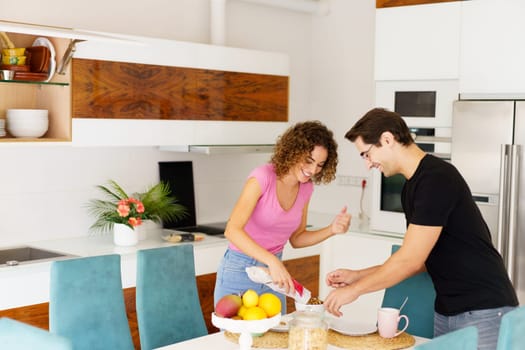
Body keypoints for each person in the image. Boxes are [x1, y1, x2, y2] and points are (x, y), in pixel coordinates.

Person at [324, 108, 518, 349]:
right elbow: (422, 257)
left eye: (366, 154)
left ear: (387, 139)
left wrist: (355, 290)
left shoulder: (436, 178)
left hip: (482, 309)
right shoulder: (411, 187)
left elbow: (410, 261)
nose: (368, 164)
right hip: (448, 311)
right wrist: (358, 275)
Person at [214, 120, 352, 311]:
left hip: (274, 277)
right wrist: (272, 261)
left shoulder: (306, 188)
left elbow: (297, 238)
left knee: (277, 337)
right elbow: (232, 230)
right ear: (294, 151)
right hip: (240, 269)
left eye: (320, 165)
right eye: (309, 161)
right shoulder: (262, 177)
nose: (313, 171)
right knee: (235, 336)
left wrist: (332, 230)